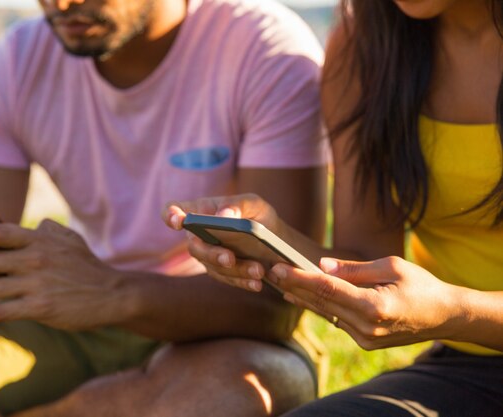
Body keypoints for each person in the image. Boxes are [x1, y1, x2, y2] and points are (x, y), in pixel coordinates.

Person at [0, 0, 330, 416]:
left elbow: (276, 305)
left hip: (209, 327)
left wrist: (111, 291)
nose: (62, 4)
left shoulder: (264, 48)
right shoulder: (16, 62)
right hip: (66, 320)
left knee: (236, 390)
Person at [163, 0, 503, 415]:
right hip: (470, 368)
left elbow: (449, 310)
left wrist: (456, 312)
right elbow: (367, 261)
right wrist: (271, 241)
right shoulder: (367, 48)